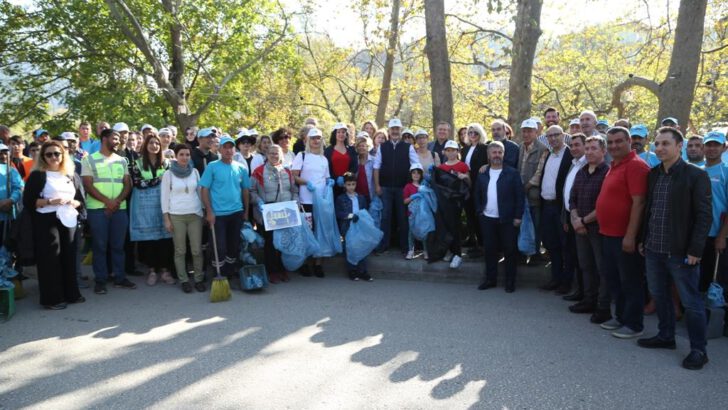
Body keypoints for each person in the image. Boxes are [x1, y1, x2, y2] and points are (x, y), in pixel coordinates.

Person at [638, 127, 712, 370]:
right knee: (660, 296)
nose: (659, 148)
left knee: (691, 303)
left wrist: (695, 250)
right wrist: (642, 239)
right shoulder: (654, 174)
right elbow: (649, 210)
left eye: (665, 144)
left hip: (681, 253)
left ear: (679, 146)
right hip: (653, 248)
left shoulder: (695, 176)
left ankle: (699, 350)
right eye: (657, 144)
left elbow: (703, 216)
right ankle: (666, 336)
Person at [595, 126, 648, 338]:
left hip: (624, 236)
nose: (614, 145)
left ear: (629, 142)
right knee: (614, 278)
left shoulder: (636, 166)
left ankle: (634, 324)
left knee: (630, 281)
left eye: (619, 141)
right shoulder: (613, 165)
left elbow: (639, 203)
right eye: (611, 142)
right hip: (608, 233)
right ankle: (621, 317)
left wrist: (630, 235)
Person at [23, 141, 85, 309]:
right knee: (50, 259)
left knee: (69, 257)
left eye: (57, 153)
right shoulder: (38, 175)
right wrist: (51, 201)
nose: (53, 157)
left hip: (69, 219)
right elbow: (28, 201)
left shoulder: (70, 175)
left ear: (63, 155)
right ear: (43, 157)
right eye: (48, 154)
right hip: (46, 221)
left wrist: (73, 202)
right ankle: (52, 299)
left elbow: (81, 201)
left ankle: (71, 294)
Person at [81, 129, 136, 294]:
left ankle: (119, 277)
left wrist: (117, 201)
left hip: (119, 209)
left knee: (118, 246)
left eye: (119, 138)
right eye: (115, 138)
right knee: (100, 246)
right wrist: (107, 202)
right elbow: (88, 185)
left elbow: (127, 183)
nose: (118, 141)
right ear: (104, 139)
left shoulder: (122, 160)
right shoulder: (89, 160)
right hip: (98, 209)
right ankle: (101, 280)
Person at [567, 136, 611, 323]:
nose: (589, 152)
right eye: (587, 148)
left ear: (603, 151)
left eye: (594, 148)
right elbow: (572, 198)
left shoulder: (607, 173)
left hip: (598, 228)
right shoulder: (582, 171)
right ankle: (588, 300)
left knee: (602, 269)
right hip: (580, 227)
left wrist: (583, 220)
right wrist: (576, 219)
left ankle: (603, 307)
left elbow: (604, 205)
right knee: (586, 266)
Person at [199, 135, 251, 282]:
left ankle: (229, 272)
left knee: (234, 246)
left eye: (231, 147)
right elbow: (204, 189)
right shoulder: (212, 166)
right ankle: (217, 273)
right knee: (219, 247)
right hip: (218, 214)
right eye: (225, 147)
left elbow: (245, 190)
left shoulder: (240, 168)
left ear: (234, 149)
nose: (228, 150)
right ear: (220, 149)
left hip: (236, 213)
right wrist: (209, 211)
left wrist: (246, 211)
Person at [475, 141, 524, 292]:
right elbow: (476, 194)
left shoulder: (512, 173)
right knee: (490, 250)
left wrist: (518, 216)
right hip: (487, 218)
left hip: (508, 219)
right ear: (488, 155)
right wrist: (479, 212)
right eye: (494, 153)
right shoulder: (482, 173)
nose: (497, 155)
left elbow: (519, 196)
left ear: (503, 154)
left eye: (499, 152)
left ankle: (510, 282)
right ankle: (490, 280)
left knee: (510, 250)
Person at [251, 144, 298, 284]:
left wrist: (295, 202)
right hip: (268, 211)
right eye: (271, 153)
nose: (274, 156)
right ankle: (272, 271)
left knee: (284, 242)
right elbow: (251, 190)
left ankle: (282, 269)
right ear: (266, 155)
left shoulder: (287, 172)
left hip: (286, 211)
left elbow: (294, 190)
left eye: (276, 153)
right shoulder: (258, 172)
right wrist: (259, 201)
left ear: (281, 155)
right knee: (271, 243)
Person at [130, 134, 173, 286]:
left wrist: (151, 182)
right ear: (145, 145)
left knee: (165, 238)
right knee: (150, 239)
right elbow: (137, 183)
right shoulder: (137, 164)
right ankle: (152, 270)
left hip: (163, 205)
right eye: (151, 143)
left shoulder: (167, 163)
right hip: (145, 206)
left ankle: (165, 270)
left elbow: (170, 183)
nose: (154, 145)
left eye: (156, 143)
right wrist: (157, 181)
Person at [161, 144, 205, 293]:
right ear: (176, 156)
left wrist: (205, 210)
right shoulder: (168, 174)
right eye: (181, 154)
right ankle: (184, 280)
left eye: (187, 155)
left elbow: (199, 192)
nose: (185, 157)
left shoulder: (194, 172)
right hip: (176, 215)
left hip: (195, 214)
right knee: (180, 250)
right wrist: (166, 218)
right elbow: (164, 197)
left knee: (197, 250)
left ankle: (198, 278)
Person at [373, 118, 421, 255]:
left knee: (403, 217)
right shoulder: (383, 147)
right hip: (386, 187)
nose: (395, 131)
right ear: (389, 130)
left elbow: (415, 166)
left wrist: (413, 185)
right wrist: (377, 185)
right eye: (392, 129)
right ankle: (384, 245)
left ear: (400, 130)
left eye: (397, 129)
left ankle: (405, 246)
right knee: (386, 217)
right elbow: (376, 167)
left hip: (403, 188)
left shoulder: (408, 147)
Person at [538, 125, 574, 294]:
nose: (552, 138)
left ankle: (566, 283)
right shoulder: (548, 154)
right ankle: (556, 278)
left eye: (556, 135)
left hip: (561, 208)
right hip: (546, 206)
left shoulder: (570, 155)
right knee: (552, 245)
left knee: (565, 245)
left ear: (563, 135)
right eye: (549, 136)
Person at [291, 128, 331, 276]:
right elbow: (294, 176)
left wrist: (329, 183)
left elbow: (326, 178)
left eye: (318, 138)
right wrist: (306, 182)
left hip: (320, 201)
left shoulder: (324, 159)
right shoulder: (301, 156)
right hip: (305, 200)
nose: (316, 141)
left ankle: (318, 264)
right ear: (308, 140)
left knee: (319, 231)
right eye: (313, 138)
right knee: (306, 232)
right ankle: (305, 263)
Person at [700, 131, 728, 293]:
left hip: (718, 235)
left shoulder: (726, 172)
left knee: (720, 280)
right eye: (709, 145)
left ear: (724, 148)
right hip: (699, 234)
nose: (712, 148)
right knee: (701, 278)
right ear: (703, 147)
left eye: (716, 145)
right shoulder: (696, 170)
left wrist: (721, 236)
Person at [561, 133, 588, 301]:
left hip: (583, 220)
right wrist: (566, 218)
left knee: (584, 260)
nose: (574, 148)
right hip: (570, 217)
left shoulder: (588, 165)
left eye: (578, 145)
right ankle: (579, 290)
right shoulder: (573, 164)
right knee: (574, 256)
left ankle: (586, 293)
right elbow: (568, 193)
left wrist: (579, 219)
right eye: (572, 145)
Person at [517, 118, 548, 263]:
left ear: (536, 132)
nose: (526, 134)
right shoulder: (520, 147)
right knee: (522, 224)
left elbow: (539, 173)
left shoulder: (543, 149)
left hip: (533, 195)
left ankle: (535, 253)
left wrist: (526, 186)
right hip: (520, 195)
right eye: (524, 131)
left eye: (529, 131)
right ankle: (523, 253)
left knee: (536, 225)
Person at [438, 140, 470, 268]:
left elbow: (470, 183)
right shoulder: (441, 167)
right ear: (445, 152)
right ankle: (450, 251)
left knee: (456, 226)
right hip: (445, 202)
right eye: (448, 150)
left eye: (453, 150)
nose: (451, 153)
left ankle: (457, 254)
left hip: (458, 202)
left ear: (458, 151)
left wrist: (465, 177)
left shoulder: (463, 166)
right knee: (447, 226)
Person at [335, 172, 372, 281]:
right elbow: (338, 213)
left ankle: (363, 271)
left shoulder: (361, 198)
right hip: (347, 226)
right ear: (344, 185)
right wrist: (350, 216)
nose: (351, 187)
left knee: (362, 247)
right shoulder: (341, 198)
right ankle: (352, 270)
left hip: (359, 226)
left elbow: (365, 211)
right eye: (349, 184)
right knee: (350, 248)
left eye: (353, 184)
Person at [461, 123, 488, 254]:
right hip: (467, 185)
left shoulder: (484, 148)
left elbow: (487, 165)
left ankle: (482, 244)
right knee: (469, 213)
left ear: (480, 134)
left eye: (475, 133)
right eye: (470, 133)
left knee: (478, 214)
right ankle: (472, 239)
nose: (472, 135)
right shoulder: (465, 149)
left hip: (479, 185)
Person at [324, 123, 358, 196]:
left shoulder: (352, 150)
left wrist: (345, 178)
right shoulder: (328, 151)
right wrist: (335, 179)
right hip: (332, 185)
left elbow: (354, 167)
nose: (341, 134)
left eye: (343, 132)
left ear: (346, 134)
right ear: (334, 134)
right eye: (338, 132)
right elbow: (326, 168)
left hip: (348, 186)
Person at [0, 144, 23, 245]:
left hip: (9, 216)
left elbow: (19, 188)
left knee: (7, 246)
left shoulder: (12, 170)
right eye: (0, 154)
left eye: (5, 153)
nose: (3, 156)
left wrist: (10, 200)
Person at [403, 164, 427, 260]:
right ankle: (410, 250)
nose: (416, 175)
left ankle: (426, 251)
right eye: (414, 173)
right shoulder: (408, 186)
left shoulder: (424, 186)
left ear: (421, 174)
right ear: (411, 174)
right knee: (411, 232)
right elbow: (404, 201)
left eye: (418, 173)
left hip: (423, 214)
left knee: (424, 231)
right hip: (412, 214)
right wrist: (413, 197)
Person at [354, 134, 375, 201]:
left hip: (370, 193)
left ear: (368, 147)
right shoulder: (355, 160)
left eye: (363, 146)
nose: (361, 148)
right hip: (357, 194)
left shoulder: (373, 160)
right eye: (359, 146)